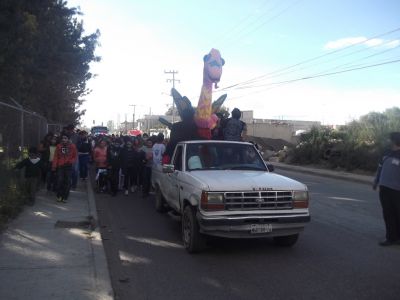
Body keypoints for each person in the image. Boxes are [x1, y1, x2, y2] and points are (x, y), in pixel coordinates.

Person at [373, 132, 400, 246]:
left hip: (397, 190)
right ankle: (391, 238)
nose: (389, 141)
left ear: (395, 141)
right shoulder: (386, 153)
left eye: (391, 140)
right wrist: (376, 181)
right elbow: (380, 168)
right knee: (388, 213)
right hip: (384, 188)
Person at [52, 134, 78, 203]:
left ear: (68, 139)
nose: (64, 140)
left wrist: (71, 161)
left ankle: (65, 197)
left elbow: (75, 156)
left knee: (67, 181)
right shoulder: (59, 146)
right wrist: (54, 166)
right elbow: (55, 156)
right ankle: (59, 196)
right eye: (63, 138)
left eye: (65, 138)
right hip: (60, 166)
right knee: (60, 180)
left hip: (68, 166)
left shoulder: (72, 146)